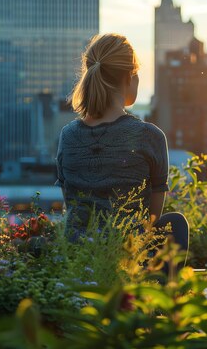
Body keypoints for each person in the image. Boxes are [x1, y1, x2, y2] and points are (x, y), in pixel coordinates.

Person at [55, 33, 188, 256]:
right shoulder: (150, 136)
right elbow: (151, 222)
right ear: (130, 78)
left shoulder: (67, 136)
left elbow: (72, 207)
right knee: (176, 223)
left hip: (77, 261)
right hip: (127, 261)